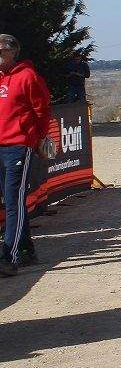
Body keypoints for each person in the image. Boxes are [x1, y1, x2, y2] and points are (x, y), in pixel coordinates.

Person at [0, 33, 52, 273]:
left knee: (14, 200)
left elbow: (42, 109)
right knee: (10, 200)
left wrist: (39, 138)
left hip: (19, 146)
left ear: (12, 51)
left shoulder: (27, 76)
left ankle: (9, 255)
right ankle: (26, 248)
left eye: (1, 51)